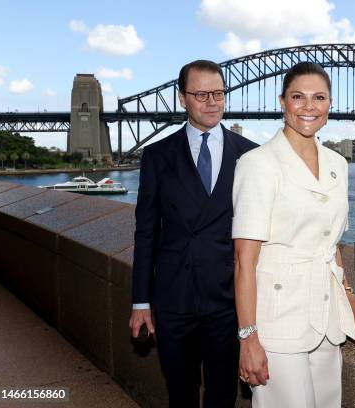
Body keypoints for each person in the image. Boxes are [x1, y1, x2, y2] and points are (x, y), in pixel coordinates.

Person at [128, 59, 257, 407]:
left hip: (227, 302)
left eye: (218, 93)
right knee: (180, 395)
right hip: (174, 300)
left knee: (221, 397)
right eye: (201, 94)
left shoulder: (250, 156)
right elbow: (146, 231)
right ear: (181, 98)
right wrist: (141, 302)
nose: (212, 101)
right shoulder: (157, 155)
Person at [232, 61, 355, 407]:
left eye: (319, 97)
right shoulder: (258, 164)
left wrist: (347, 291)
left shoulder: (338, 164)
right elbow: (244, 261)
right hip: (278, 319)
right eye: (298, 97)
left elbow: (332, 242)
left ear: (329, 105)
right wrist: (248, 338)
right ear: (282, 102)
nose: (308, 106)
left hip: (327, 314)